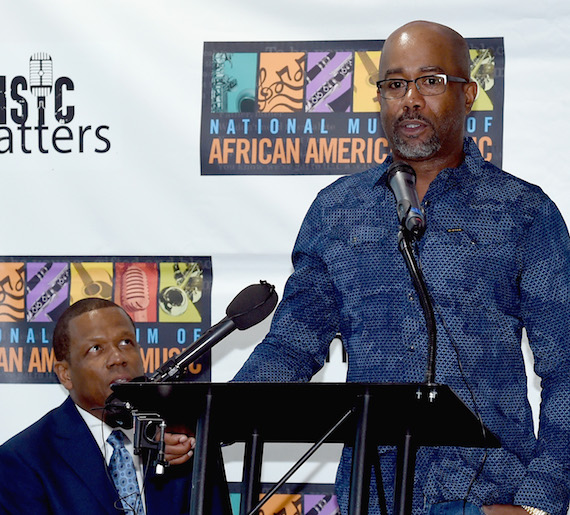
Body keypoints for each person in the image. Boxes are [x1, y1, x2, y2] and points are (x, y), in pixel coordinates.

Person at [234, 21, 570, 515]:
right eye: (394, 84)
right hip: (374, 495)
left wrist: (538, 505)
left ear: (469, 93)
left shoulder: (523, 211)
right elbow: (291, 345)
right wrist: (209, 424)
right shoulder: (338, 210)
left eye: (430, 81)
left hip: (487, 497)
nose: (410, 99)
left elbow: (565, 368)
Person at [0, 298, 199, 514]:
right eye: (96, 348)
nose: (117, 357)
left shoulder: (181, 441)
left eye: (126, 342)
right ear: (66, 374)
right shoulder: (23, 461)